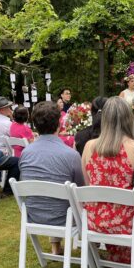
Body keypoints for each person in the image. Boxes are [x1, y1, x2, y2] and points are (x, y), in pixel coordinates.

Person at [82, 96, 134, 265]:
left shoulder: (89, 147)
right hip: (130, 223)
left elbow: (88, 185)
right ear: (129, 118)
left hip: (97, 222)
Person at [19, 101, 84, 255]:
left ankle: (55, 246)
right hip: (65, 218)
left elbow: (25, 184)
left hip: (33, 216)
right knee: (71, 200)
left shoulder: (26, 153)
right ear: (59, 124)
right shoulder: (71, 155)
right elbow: (81, 191)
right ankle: (92, 248)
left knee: (53, 194)